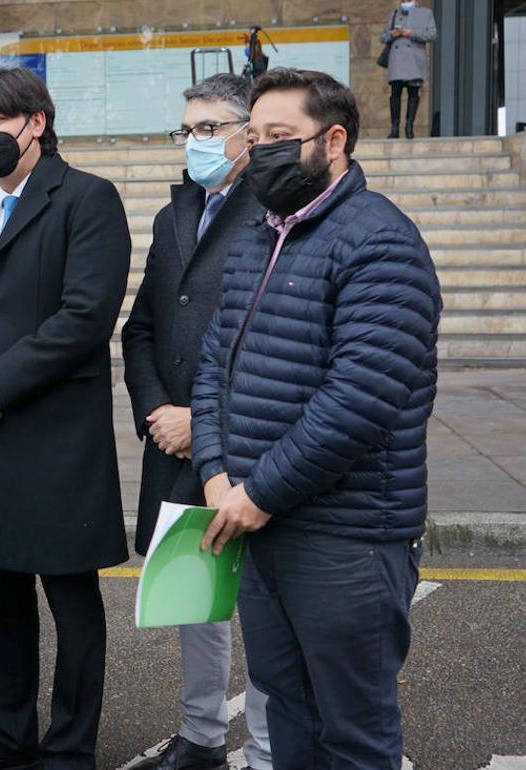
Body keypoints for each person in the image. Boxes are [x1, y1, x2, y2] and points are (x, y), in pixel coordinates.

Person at [190, 68, 441, 768]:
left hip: (346, 539)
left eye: (280, 136)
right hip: (260, 525)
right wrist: (214, 471)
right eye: (254, 137)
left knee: (353, 731)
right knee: (287, 711)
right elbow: (213, 368)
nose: (261, 151)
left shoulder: (381, 241)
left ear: (334, 141)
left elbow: (360, 398)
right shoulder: (257, 236)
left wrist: (259, 492)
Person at [0, 67, 131, 770]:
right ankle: (11, 739)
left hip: (55, 445)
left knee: (73, 610)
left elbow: (85, 317)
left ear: (36, 122)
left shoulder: (87, 199)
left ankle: (70, 750)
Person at [121, 73, 272, 770]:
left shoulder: (272, 212)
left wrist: (201, 421)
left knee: (264, 610)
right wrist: (157, 410)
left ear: (248, 133)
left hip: (248, 445)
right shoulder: (174, 214)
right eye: (188, 130)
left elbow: (272, 342)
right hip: (174, 442)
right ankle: (203, 737)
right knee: (196, 599)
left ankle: (269, 749)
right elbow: (142, 327)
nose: (196, 142)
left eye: (209, 128)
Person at [381, 1, 437, 139]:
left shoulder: (425, 13)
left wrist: (411, 33)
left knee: (413, 92)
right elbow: (382, 37)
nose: (405, 2)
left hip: (414, 59)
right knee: (395, 93)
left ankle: (409, 126)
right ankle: (394, 128)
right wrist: (392, 34)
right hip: (397, 59)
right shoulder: (395, 14)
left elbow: (432, 34)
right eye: (403, 0)